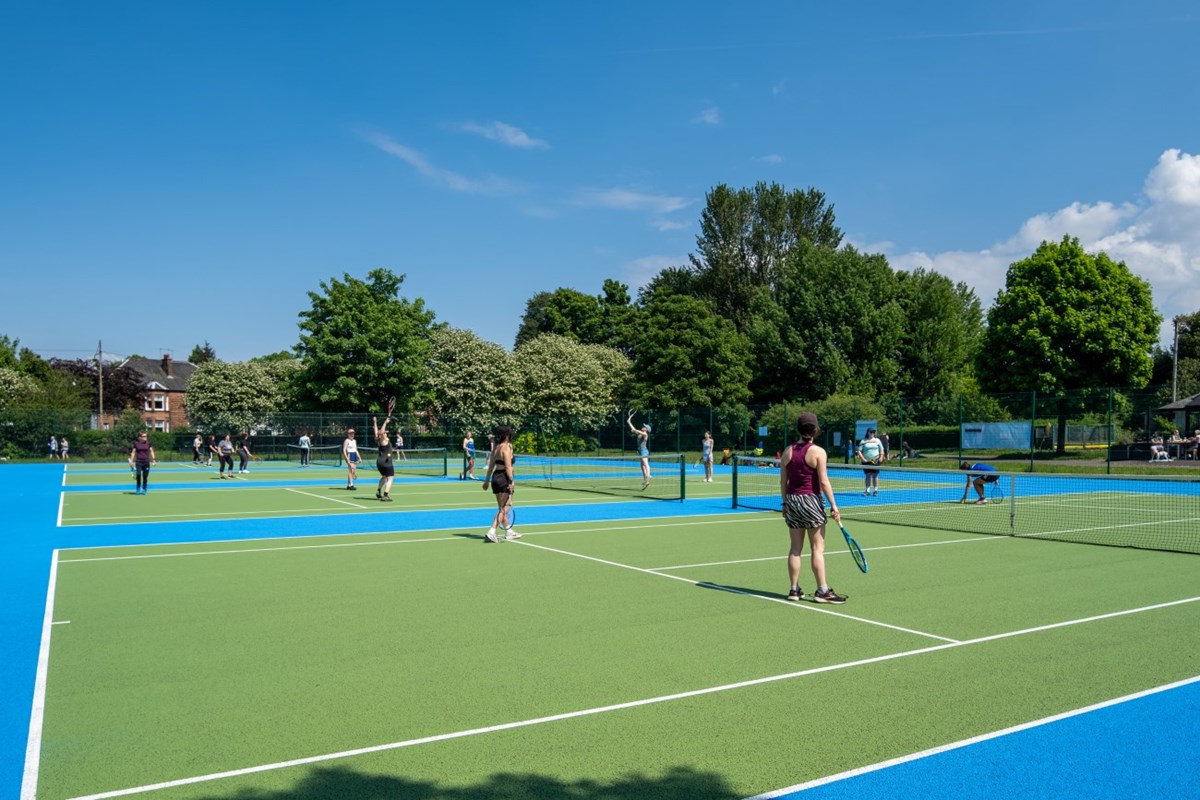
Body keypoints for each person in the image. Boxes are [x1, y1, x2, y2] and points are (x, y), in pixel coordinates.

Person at [780, 412, 845, 604]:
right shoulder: (818, 452)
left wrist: (784, 503)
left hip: (792, 500)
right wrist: (834, 505)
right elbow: (824, 482)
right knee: (817, 548)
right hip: (811, 501)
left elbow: (784, 481)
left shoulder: (787, 451)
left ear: (798, 429)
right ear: (815, 430)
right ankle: (822, 591)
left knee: (795, 549)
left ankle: (794, 590)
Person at [482, 424, 520, 542]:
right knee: (505, 508)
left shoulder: (496, 448)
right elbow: (508, 467)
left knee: (501, 508)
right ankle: (492, 530)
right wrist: (511, 481)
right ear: (507, 436)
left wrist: (487, 481)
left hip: (496, 478)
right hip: (504, 477)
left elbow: (490, 467)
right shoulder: (506, 448)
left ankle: (508, 531)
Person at [372, 415, 396, 501]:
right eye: (384, 433)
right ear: (382, 434)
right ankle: (385, 495)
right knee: (390, 478)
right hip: (386, 462)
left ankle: (378, 491)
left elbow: (377, 432)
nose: (385, 433)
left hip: (379, 462)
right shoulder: (383, 440)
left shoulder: (378, 439)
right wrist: (385, 422)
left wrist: (375, 422)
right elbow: (380, 432)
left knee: (384, 476)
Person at [856, 428, 885, 496]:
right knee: (868, 475)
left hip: (875, 461)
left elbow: (881, 450)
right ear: (868, 432)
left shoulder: (877, 440)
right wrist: (863, 459)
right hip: (866, 461)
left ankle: (875, 490)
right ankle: (867, 490)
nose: (872, 433)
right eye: (871, 432)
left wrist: (881, 457)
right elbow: (859, 451)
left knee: (875, 476)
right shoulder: (863, 440)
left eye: (874, 432)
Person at [627, 411, 652, 489]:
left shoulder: (645, 434)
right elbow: (633, 428)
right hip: (640, 451)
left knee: (645, 464)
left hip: (644, 451)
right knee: (642, 467)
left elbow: (635, 430)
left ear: (646, 429)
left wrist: (635, 430)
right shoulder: (640, 433)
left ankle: (648, 476)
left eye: (644, 426)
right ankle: (645, 479)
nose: (643, 426)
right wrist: (629, 420)